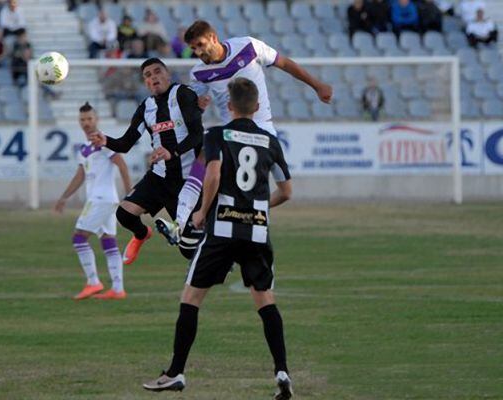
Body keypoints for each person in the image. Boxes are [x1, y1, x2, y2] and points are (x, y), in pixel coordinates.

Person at [142, 78, 294, 400]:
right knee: (265, 299)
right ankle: (282, 371)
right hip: (257, 228)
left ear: (229, 106)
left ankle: (176, 372)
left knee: (191, 298)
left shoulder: (217, 135)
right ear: (256, 107)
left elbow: (212, 174)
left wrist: (201, 213)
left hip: (223, 228)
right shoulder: (270, 141)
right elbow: (287, 192)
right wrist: (258, 207)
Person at [154, 20, 332, 248]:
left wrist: (317, 86)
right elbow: (191, 105)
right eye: (193, 48)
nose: (198, 52)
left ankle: (239, 212)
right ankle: (179, 223)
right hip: (233, 133)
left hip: (262, 129)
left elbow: (284, 63)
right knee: (204, 160)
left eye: (200, 45)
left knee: (286, 192)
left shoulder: (248, 47)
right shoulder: (199, 74)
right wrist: (197, 105)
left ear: (213, 38)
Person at [92, 58, 205, 265]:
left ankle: (219, 255)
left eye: (157, 72)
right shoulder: (146, 108)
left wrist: (173, 152)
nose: (153, 77)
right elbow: (126, 143)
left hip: (188, 182)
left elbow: (198, 135)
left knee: (189, 250)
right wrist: (106, 140)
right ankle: (142, 234)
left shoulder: (183, 94)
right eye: (148, 75)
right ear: (145, 83)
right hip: (159, 177)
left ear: (167, 74)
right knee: (124, 214)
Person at [55, 102, 132, 301]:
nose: (86, 123)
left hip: (101, 199)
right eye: (82, 120)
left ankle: (93, 282)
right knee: (108, 241)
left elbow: (121, 165)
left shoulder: (102, 142)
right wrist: (64, 197)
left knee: (79, 237)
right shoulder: (85, 148)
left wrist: (130, 193)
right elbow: (79, 176)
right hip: (104, 200)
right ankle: (117, 288)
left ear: (96, 119)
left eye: (89, 118)